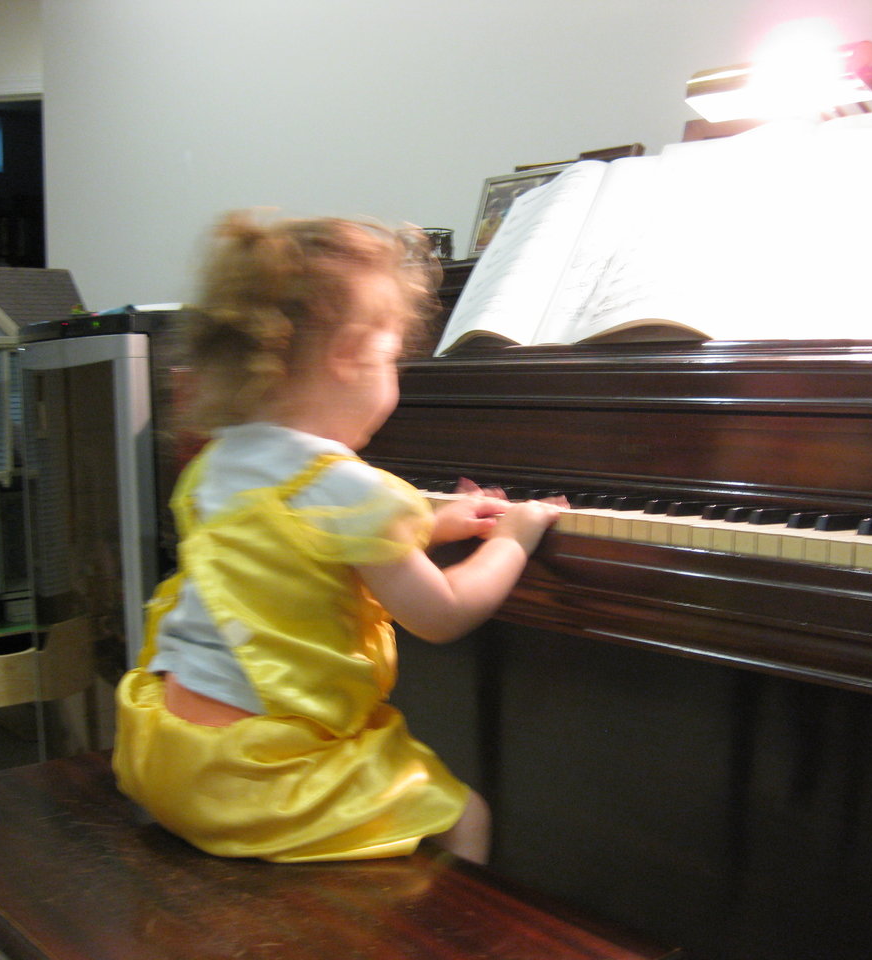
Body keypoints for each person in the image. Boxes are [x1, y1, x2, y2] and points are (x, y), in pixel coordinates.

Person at [112, 211, 563, 865]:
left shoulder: (217, 465)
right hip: (258, 778)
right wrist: (514, 538)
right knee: (466, 816)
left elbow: (300, 546)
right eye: (391, 358)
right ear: (350, 354)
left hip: (168, 756)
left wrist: (434, 524)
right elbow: (442, 613)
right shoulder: (345, 486)